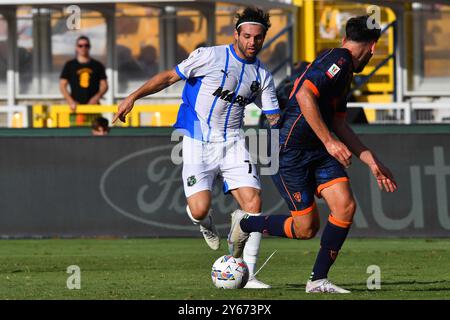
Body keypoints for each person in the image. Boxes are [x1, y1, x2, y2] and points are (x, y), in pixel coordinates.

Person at [113, 7, 280, 289]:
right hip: (196, 141)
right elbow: (168, 77)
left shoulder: (262, 75)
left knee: (254, 205)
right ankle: (203, 222)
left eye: (259, 37)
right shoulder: (210, 56)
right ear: (236, 34)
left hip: (233, 142)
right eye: (248, 36)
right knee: (200, 209)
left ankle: (248, 275)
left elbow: (275, 117)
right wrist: (133, 97)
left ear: (264, 38)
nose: (253, 42)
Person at [228, 15, 398, 293]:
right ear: (374, 46)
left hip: (316, 152)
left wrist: (371, 161)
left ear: (345, 38)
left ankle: (318, 280)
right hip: (289, 152)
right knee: (305, 229)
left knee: (345, 206)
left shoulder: (345, 72)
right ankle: (246, 222)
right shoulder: (339, 59)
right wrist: (330, 142)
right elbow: (305, 94)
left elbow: (340, 123)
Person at [60, 36, 108, 112]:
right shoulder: (69, 65)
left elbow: (104, 85)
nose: (83, 48)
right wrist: (70, 101)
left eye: (86, 45)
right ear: (76, 48)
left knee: (96, 124)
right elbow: (62, 85)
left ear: (89, 47)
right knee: (76, 124)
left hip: (94, 107)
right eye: (80, 46)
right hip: (75, 108)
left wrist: (96, 98)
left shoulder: (97, 65)